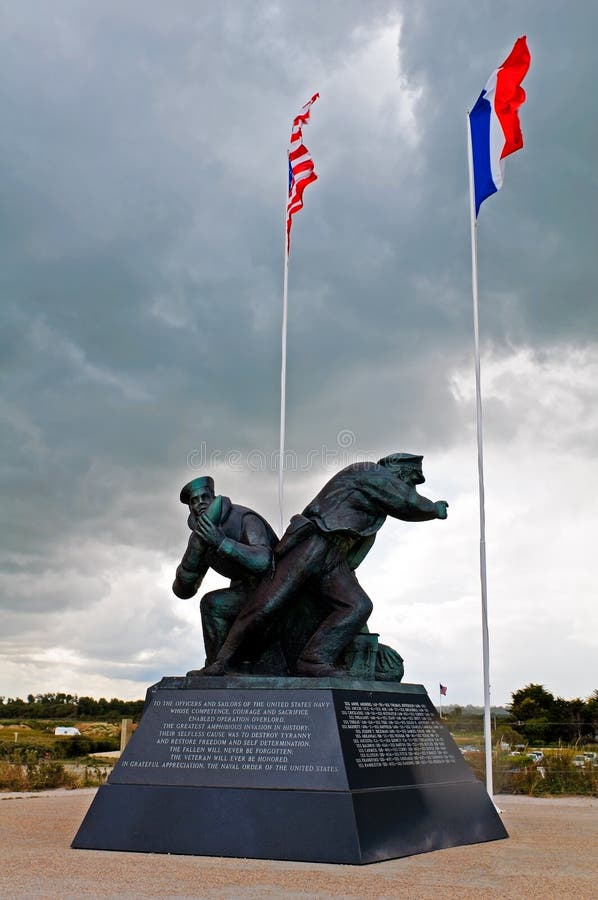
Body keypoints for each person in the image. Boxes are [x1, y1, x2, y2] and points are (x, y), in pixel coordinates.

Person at [202, 453, 448, 677]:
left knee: (358, 606)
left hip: (333, 556)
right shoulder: (369, 472)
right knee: (265, 605)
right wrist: (434, 508)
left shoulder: (379, 501)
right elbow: (406, 502)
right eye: (412, 481)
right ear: (400, 473)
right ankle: (221, 662)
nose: (411, 487)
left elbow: (358, 549)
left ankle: (314, 660)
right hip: (313, 543)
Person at [172, 476, 278, 665]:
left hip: (276, 585)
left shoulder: (244, 518)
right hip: (247, 591)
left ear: (213, 497)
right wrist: (192, 556)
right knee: (212, 604)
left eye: (204, 497)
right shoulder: (201, 535)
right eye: (193, 501)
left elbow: (263, 561)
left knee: (212, 604)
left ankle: (220, 668)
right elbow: (184, 591)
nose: (200, 504)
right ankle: (218, 668)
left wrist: (221, 542)